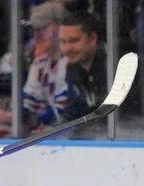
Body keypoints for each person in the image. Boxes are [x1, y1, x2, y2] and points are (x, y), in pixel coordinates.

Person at [22, 1, 69, 131]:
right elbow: (28, 106)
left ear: (60, 26)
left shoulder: (69, 62)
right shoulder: (39, 63)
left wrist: (8, 117)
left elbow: (62, 112)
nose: (36, 35)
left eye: (42, 28)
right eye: (34, 29)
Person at [59, 11, 106, 120]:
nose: (67, 49)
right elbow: (72, 114)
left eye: (73, 41)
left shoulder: (113, 68)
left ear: (92, 39)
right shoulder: (72, 70)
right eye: (63, 41)